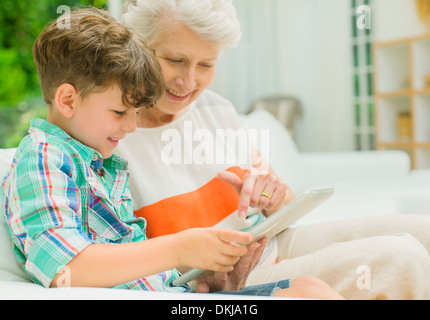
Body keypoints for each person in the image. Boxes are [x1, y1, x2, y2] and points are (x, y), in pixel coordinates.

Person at [0, 7, 343, 299]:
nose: (132, 127)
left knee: (310, 289)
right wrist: (180, 248)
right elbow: (65, 268)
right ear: (68, 101)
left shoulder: (96, 160)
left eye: (135, 113)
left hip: (180, 293)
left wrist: (198, 275)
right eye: (120, 113)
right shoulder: (43, 160)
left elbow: (131, 261)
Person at [119, 0, 430, 299]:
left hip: (271, 242)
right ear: (138, 47)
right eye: (175, 60)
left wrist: (272, 195)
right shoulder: (112, 134)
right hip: (228, 277)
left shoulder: (215, 108)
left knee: (425, 231)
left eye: (206, 64)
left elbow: (282, 204)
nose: (188, 81)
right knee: (400, 260)